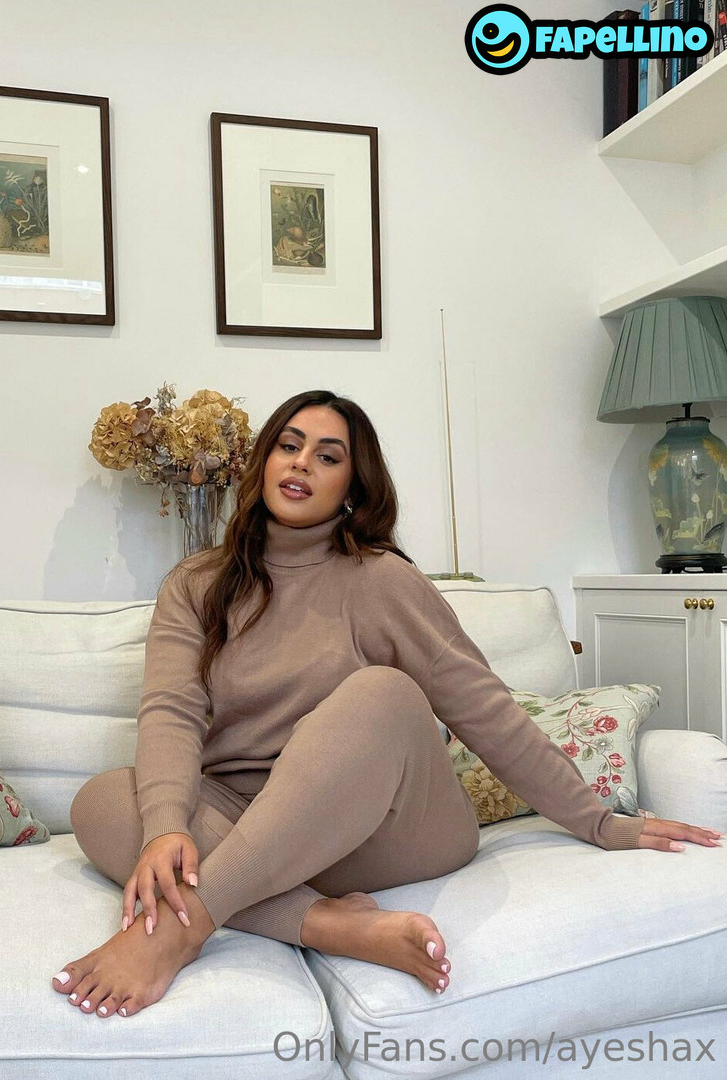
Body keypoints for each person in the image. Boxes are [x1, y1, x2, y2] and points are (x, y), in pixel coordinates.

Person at [52, 389, 722, 1021]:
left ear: (353, 487)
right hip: (251, 821)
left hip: (385, 831)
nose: (301, 464)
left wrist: (598, 822)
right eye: (289, 445)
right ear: (262, 462)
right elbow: (170, 711)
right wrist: (166, 827)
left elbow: (485, 709)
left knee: (382, 692)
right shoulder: (196, 583)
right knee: (103, 802)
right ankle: (324, 923)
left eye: (327, 457)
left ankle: (183, 929)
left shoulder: (381, 580)